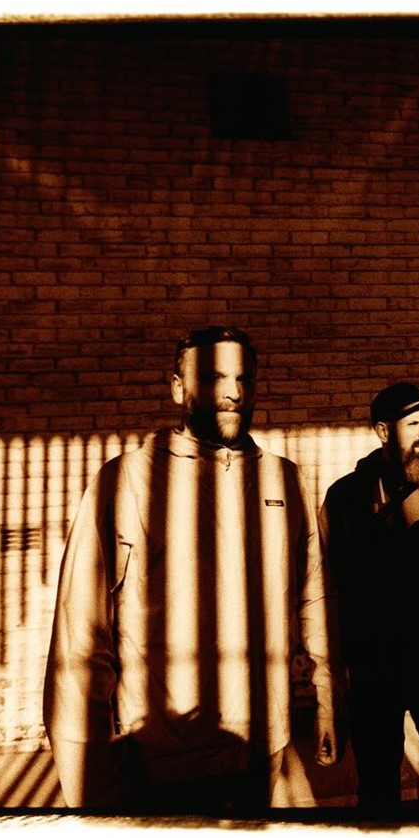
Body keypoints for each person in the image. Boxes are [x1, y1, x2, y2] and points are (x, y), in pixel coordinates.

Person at [43, 326, 344, 812]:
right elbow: (81, 633)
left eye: (244, 379)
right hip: (163, 758)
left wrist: (329, 698)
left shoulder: (283, 479)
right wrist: (84, 777)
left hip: (264, 746)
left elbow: (316, 598)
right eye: (214, 377)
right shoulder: (128, 481)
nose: (234, 392)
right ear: (178, 388)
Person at [319, 382, 419, 810]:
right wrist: (331, 679)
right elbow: (328, 587)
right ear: (383, 431)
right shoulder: (345, 498)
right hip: (374, 669)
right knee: (378, 789)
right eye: (413, 424)